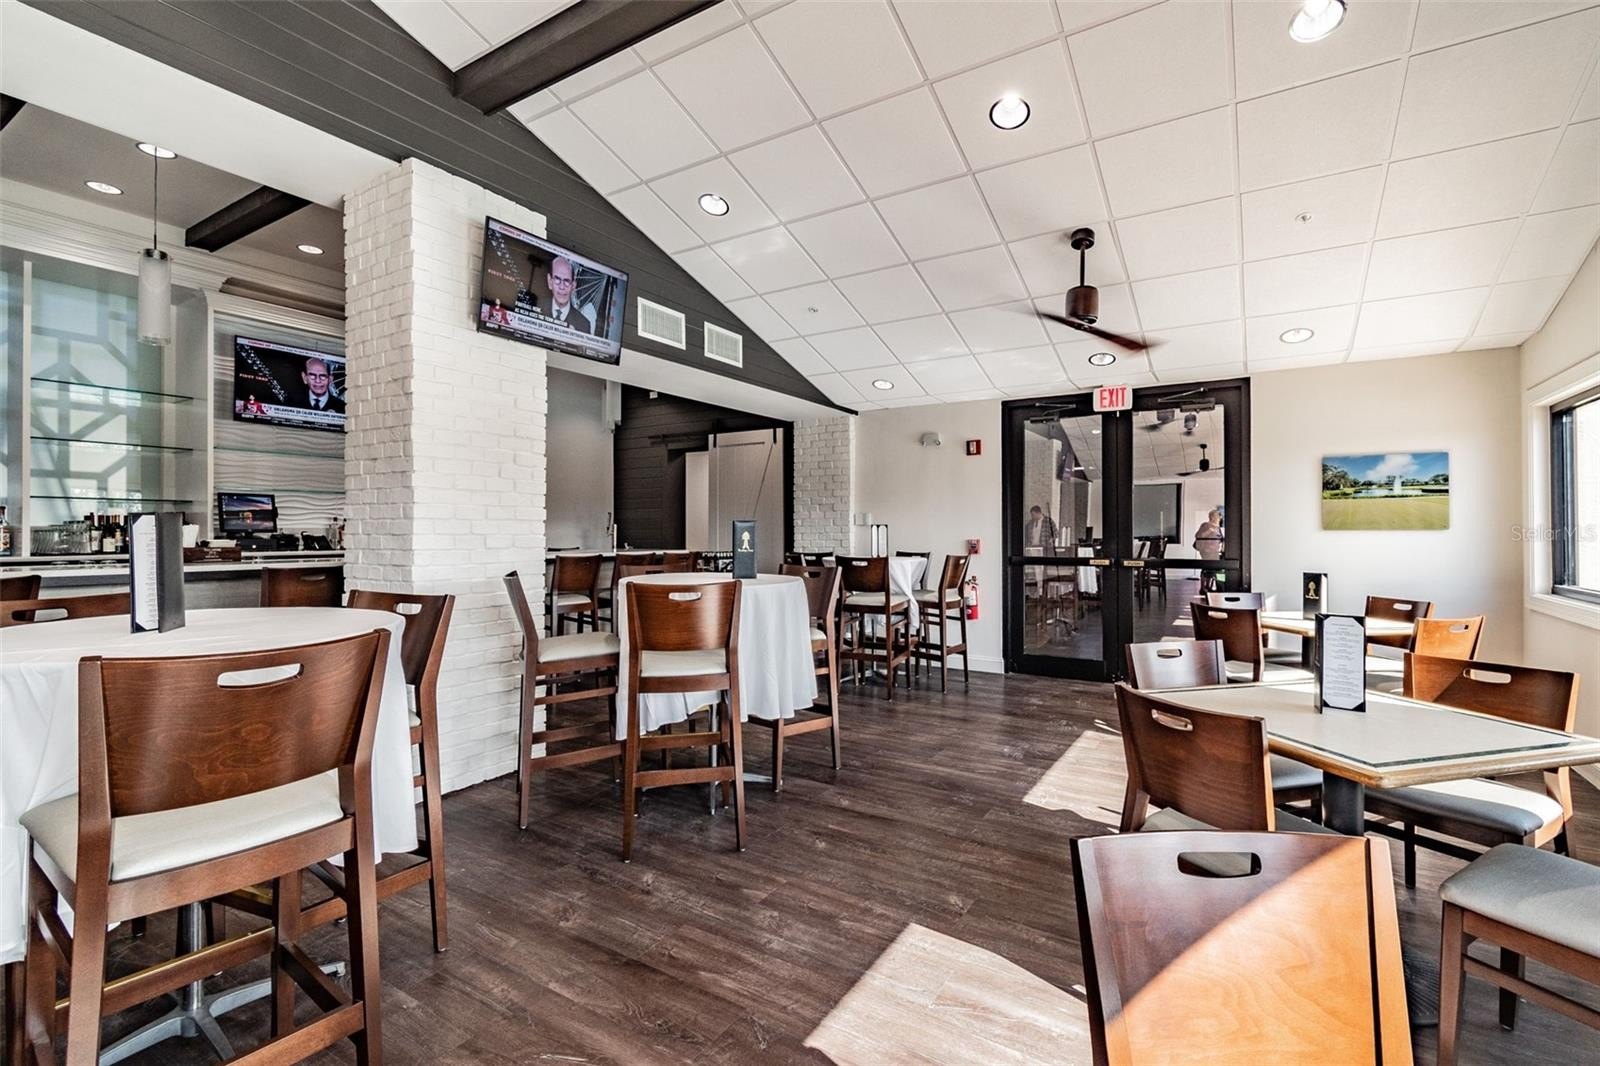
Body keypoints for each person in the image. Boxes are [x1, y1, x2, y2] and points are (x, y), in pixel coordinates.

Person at [545, 256, 594, 334]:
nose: (562, 287)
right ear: (550, 282)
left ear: (573, 286)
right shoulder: (537, 308)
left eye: (567, 281)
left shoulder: (584, 325)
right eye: (557, 279)